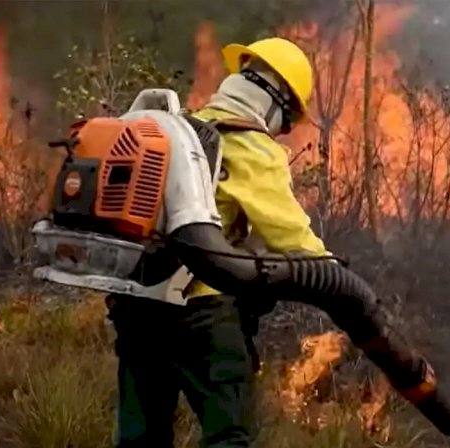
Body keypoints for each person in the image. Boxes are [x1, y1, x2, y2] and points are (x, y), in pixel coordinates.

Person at [105, 37, 329, 448]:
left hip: (137, 305)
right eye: (290, 120)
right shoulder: (249, 144)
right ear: (276, 101)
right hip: (202, 312)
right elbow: (290, 234)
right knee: (229, 435)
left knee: (140, 438)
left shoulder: (181, 128)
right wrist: (335, 276)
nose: (283, 132)